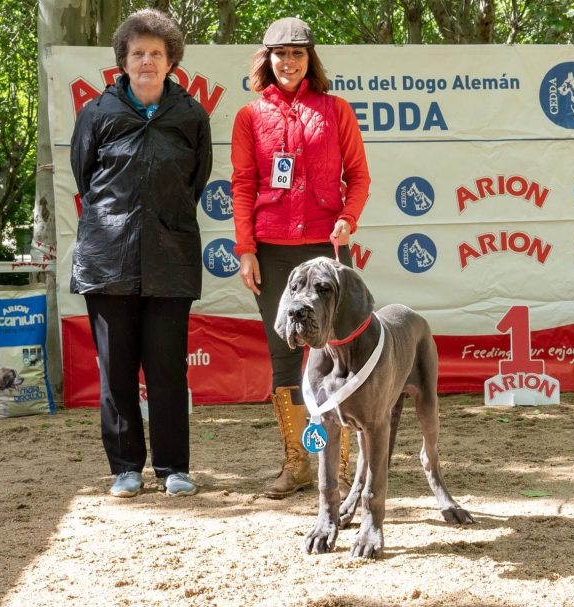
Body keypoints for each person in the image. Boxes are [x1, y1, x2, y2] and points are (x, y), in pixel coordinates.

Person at [70, 9, 213, 498]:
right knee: (117, 368)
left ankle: (174, 468)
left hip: (171, 257)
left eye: (156, 53)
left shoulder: (191, 115)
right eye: (138, 54)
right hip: (107, 258)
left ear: (171, 60)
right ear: (123, 62)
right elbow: (85, 179)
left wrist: (162, 220)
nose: (147, 61)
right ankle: (125, 467)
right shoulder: (96, 114)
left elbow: (196, 182)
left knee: (167, 365)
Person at [230, 17, 370, 499]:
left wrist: (348, 217)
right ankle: (297, 464)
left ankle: (345, 464)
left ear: (310, 59)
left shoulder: (336, 110)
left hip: (326, 248)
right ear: (265, 60)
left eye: (297, 54)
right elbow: (244, 186)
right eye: (279, 54)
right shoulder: (250, 117)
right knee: (285, 353)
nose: (288, 62)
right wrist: (246, 249)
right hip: (271, 251)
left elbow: (359, 175)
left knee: (339, 352)